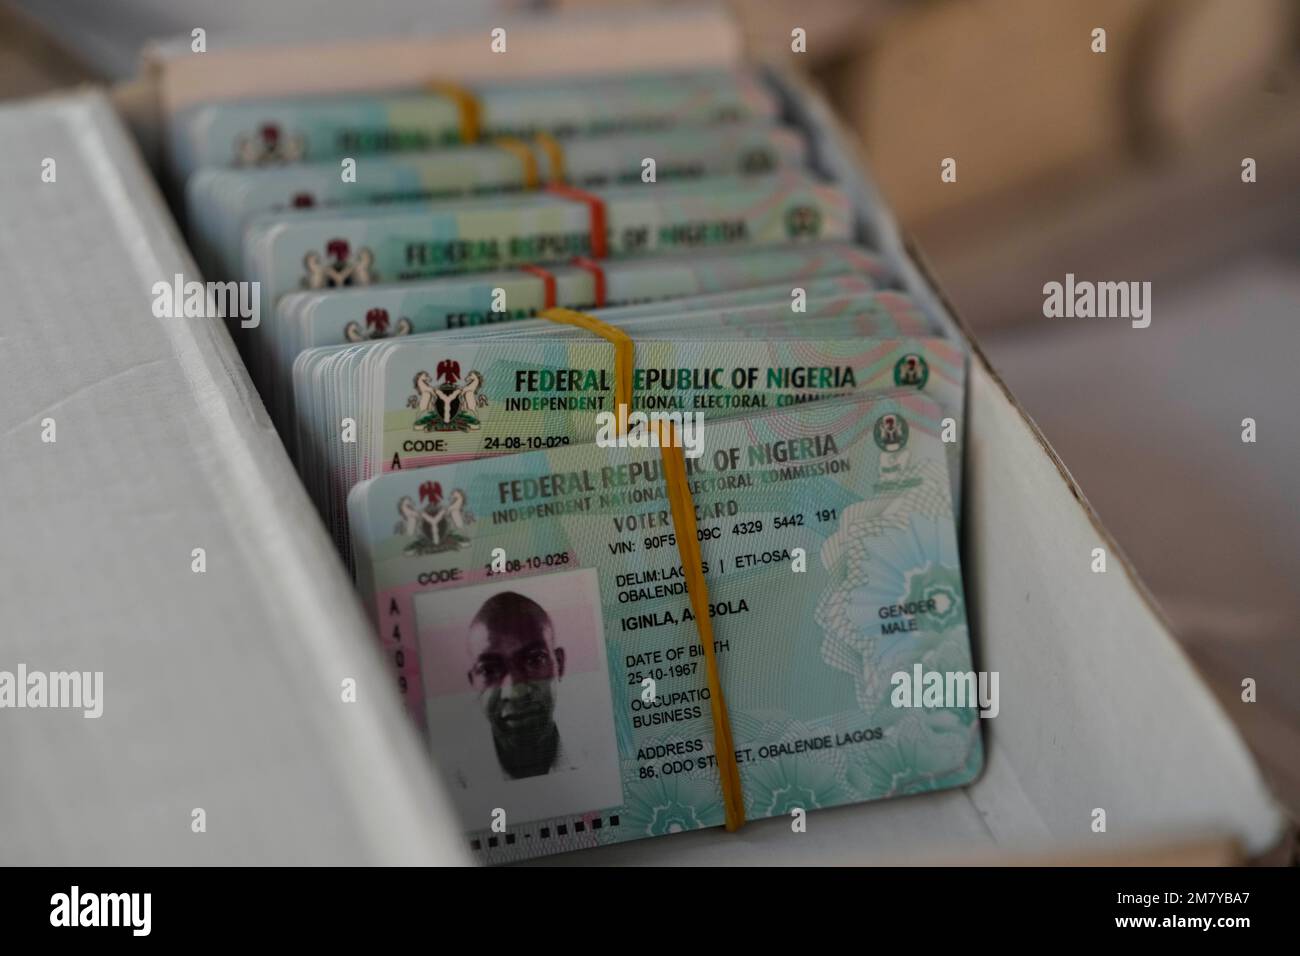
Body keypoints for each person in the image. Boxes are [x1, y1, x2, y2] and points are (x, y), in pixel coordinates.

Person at [466, 591, 569, 779]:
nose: (515, 692)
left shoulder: (606, 757)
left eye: (535, 660)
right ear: (473, 682)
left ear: (559, 664)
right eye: (489, 670)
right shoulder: (444, 786)